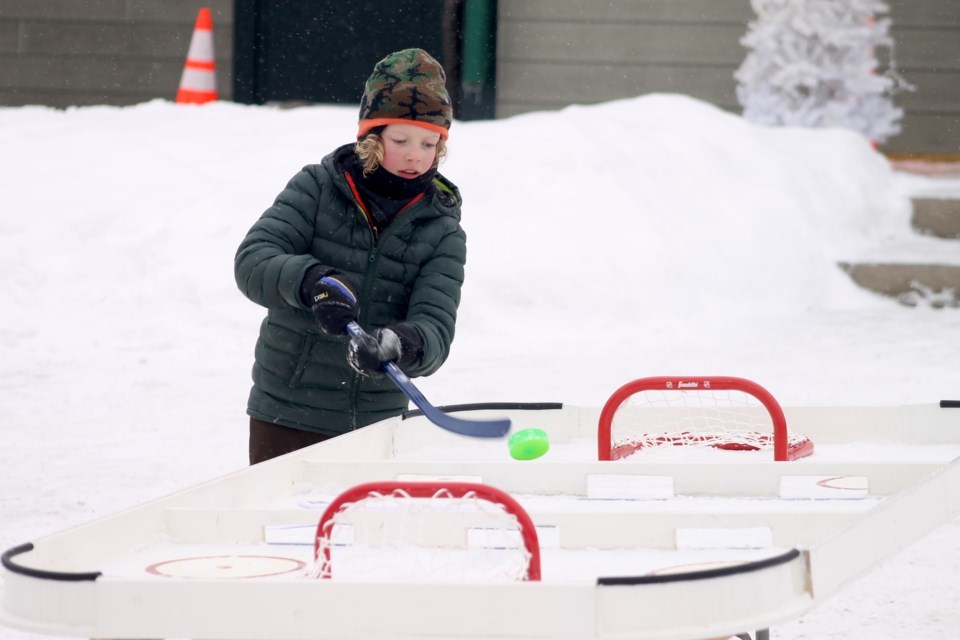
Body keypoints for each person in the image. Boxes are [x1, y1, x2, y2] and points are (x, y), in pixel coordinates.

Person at [235, 49, 467, 465]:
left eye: (429, 143)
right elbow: (253, 260)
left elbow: (436, 326)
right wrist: (311, 282)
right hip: (288, 409)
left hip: (376, 426)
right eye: (400, 140)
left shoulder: (441, 227)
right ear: (372, 138)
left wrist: (404, 342)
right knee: (285, 527)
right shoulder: (318, 188)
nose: (416, 155)